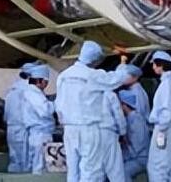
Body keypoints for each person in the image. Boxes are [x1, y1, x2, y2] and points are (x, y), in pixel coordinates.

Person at [56, 41, 134, 182]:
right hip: (88, 128)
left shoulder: (63, 75)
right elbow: (118, 79)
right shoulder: (93, 75)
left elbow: (58, 104)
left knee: (73, 171)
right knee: (91, 170)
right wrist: (123, 61)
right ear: (94, 60)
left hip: (69, 128)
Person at [147, 51, 171, 182]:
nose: (153, 67)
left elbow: (167, 111)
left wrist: (161, 130)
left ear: (161, 65)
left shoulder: (167, 84)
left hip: (165, 128)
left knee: (157, 167)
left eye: (154, 64)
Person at [21, 64, 55, 174]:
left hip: (41, 134)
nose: (46, 85)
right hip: (40, 136)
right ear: (40, 80)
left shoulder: (36, 92)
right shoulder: (32, 92)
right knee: (39, 169)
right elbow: (45, 110)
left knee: (41, 167)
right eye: (46, 82)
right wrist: (57, 104)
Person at [4, 62, 37, 172]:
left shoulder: (11, 89)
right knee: (26, 160)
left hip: (11, 127)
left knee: (14, 157)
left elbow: (6, 113)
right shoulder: (31, 89)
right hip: (24, 127)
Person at [120, 90, 150, 182]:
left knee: (123, 172)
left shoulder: (137, 120)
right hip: (134, 156)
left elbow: (138, 146)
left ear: (124, 105)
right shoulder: (129, 119)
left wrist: (125, 155)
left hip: (141, 158)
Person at [100, 90, 126, 181]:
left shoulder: (85, 93)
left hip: (90, 135)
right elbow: (119, 116)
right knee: (115, 171)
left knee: (95, 173)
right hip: (108, 134)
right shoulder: (109, 94)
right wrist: (123, 132)